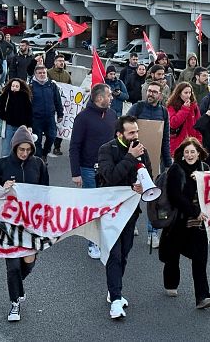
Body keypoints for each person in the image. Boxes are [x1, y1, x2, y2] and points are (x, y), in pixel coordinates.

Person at [0, 126, 46, 322]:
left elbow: (46, 192)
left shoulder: (38, 164)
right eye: (21, 149)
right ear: (14, 148)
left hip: (31, 224)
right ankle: (15, 304)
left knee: (28, 263)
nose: (24, 153)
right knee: (12, 267)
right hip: (7, 225)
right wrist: (1, 189)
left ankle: (17, 286)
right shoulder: (1, 165)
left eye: (28, 150)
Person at [96, 115, 148, 319]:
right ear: (120, 134)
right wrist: (130, 158)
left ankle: (114, 289)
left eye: (137, 131)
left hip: (131, 211)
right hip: (110, 211)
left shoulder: (140, 149)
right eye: (131, 132)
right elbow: (110, 176)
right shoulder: (106, 150)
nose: (136, 135)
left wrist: (142, 184)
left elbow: (149, 174)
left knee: (124, 253)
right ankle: (116, 300)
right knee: (114, 254)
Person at [159, 137, 210, 309]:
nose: (190, 155)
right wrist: (194, 211)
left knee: (200, 260)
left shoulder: (205, 169)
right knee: (172, 256)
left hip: (199, 224)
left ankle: (202, 297)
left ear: (199, 153)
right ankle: (170, 283)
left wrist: (201, 180)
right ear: (182, 154)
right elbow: (175, 196)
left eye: (193, 152)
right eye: (187, 152)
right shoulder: (176, 170)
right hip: (179, 222)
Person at [69, 84, 117, 259]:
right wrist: (76, 172)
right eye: (109, 95)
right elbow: (74, 146)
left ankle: (104, 238)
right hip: (88, 169)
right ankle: (92, 243)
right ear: (99, 98)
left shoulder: (112, 115)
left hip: (109, 169)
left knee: (107, 206)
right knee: (93, 208)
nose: (111, 97)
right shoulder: (83, 118)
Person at [127, 81, 173, 248]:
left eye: (154, 92)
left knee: (154, 198)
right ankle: (130, 224)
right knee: (133, 195)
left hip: (154, 161)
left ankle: (152, 232)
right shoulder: (137, 108)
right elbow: (124, 130)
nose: (151, 94)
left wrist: (168, 162)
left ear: (160, 95)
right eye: (149, 91)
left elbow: (165, 139)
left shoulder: (163, 112)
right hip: (135, 160)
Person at [30, 65, 63, 162]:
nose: (42, 75)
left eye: (44, 72)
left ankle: (45, 153)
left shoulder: (52, 85)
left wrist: (60, 114)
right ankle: (40, 159)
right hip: (36, 118)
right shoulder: (31, 86)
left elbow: (57, 100)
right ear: (35, 74)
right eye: (39, 73)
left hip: (50, 117)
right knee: (37, 140)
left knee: (52, 136)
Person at [0, 79, 34, 157]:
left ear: (20, 87)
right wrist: (6, 117)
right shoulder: (6, 95)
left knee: (20, 149)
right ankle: (5, 166)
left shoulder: (25, 97)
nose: (14, 88)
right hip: (8, 126)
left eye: (16, 86)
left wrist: (29, 126)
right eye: (13, 86)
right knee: (6, 150)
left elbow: (29, 113)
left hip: (21, 127)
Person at [166, 82, 203, 157]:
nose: (188, 95)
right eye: (186, 93)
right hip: (177, 145)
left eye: (190, 93)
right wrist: (185, 109)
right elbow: (173, 123)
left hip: (191, 144)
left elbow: (199, 126)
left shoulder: (194, 106)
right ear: (179, 93)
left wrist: (198, 142)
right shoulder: (172, 106)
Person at [47, 54, 72, 156]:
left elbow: (70, 89)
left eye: (63, 61)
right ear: (55, 62)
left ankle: (57, 147)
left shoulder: (67, 75)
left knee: (61, 126)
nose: (62, 62)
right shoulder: (48, 73)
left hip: (62, 105)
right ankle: (47, 146)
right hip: (51, 104)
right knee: (51, 127)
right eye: (59, 61)